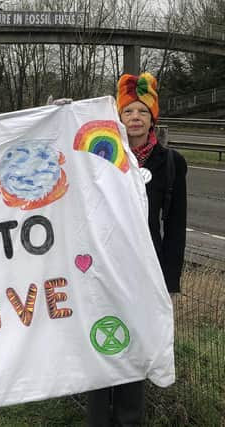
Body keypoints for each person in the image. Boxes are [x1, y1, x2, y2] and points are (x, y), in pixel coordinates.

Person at [87, 72, 187, 426]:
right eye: (128, 111)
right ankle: (97, 419)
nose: (135, 117)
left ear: (153, 118)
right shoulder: (99, 155)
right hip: (103, 267)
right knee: (100, 343)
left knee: (134, 346)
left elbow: (174, 226)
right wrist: (59, 116)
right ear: (119, 117)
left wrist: (170, 281)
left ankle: (129, 419)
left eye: (142, 111)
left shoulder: (171, 164)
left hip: (145, 272)